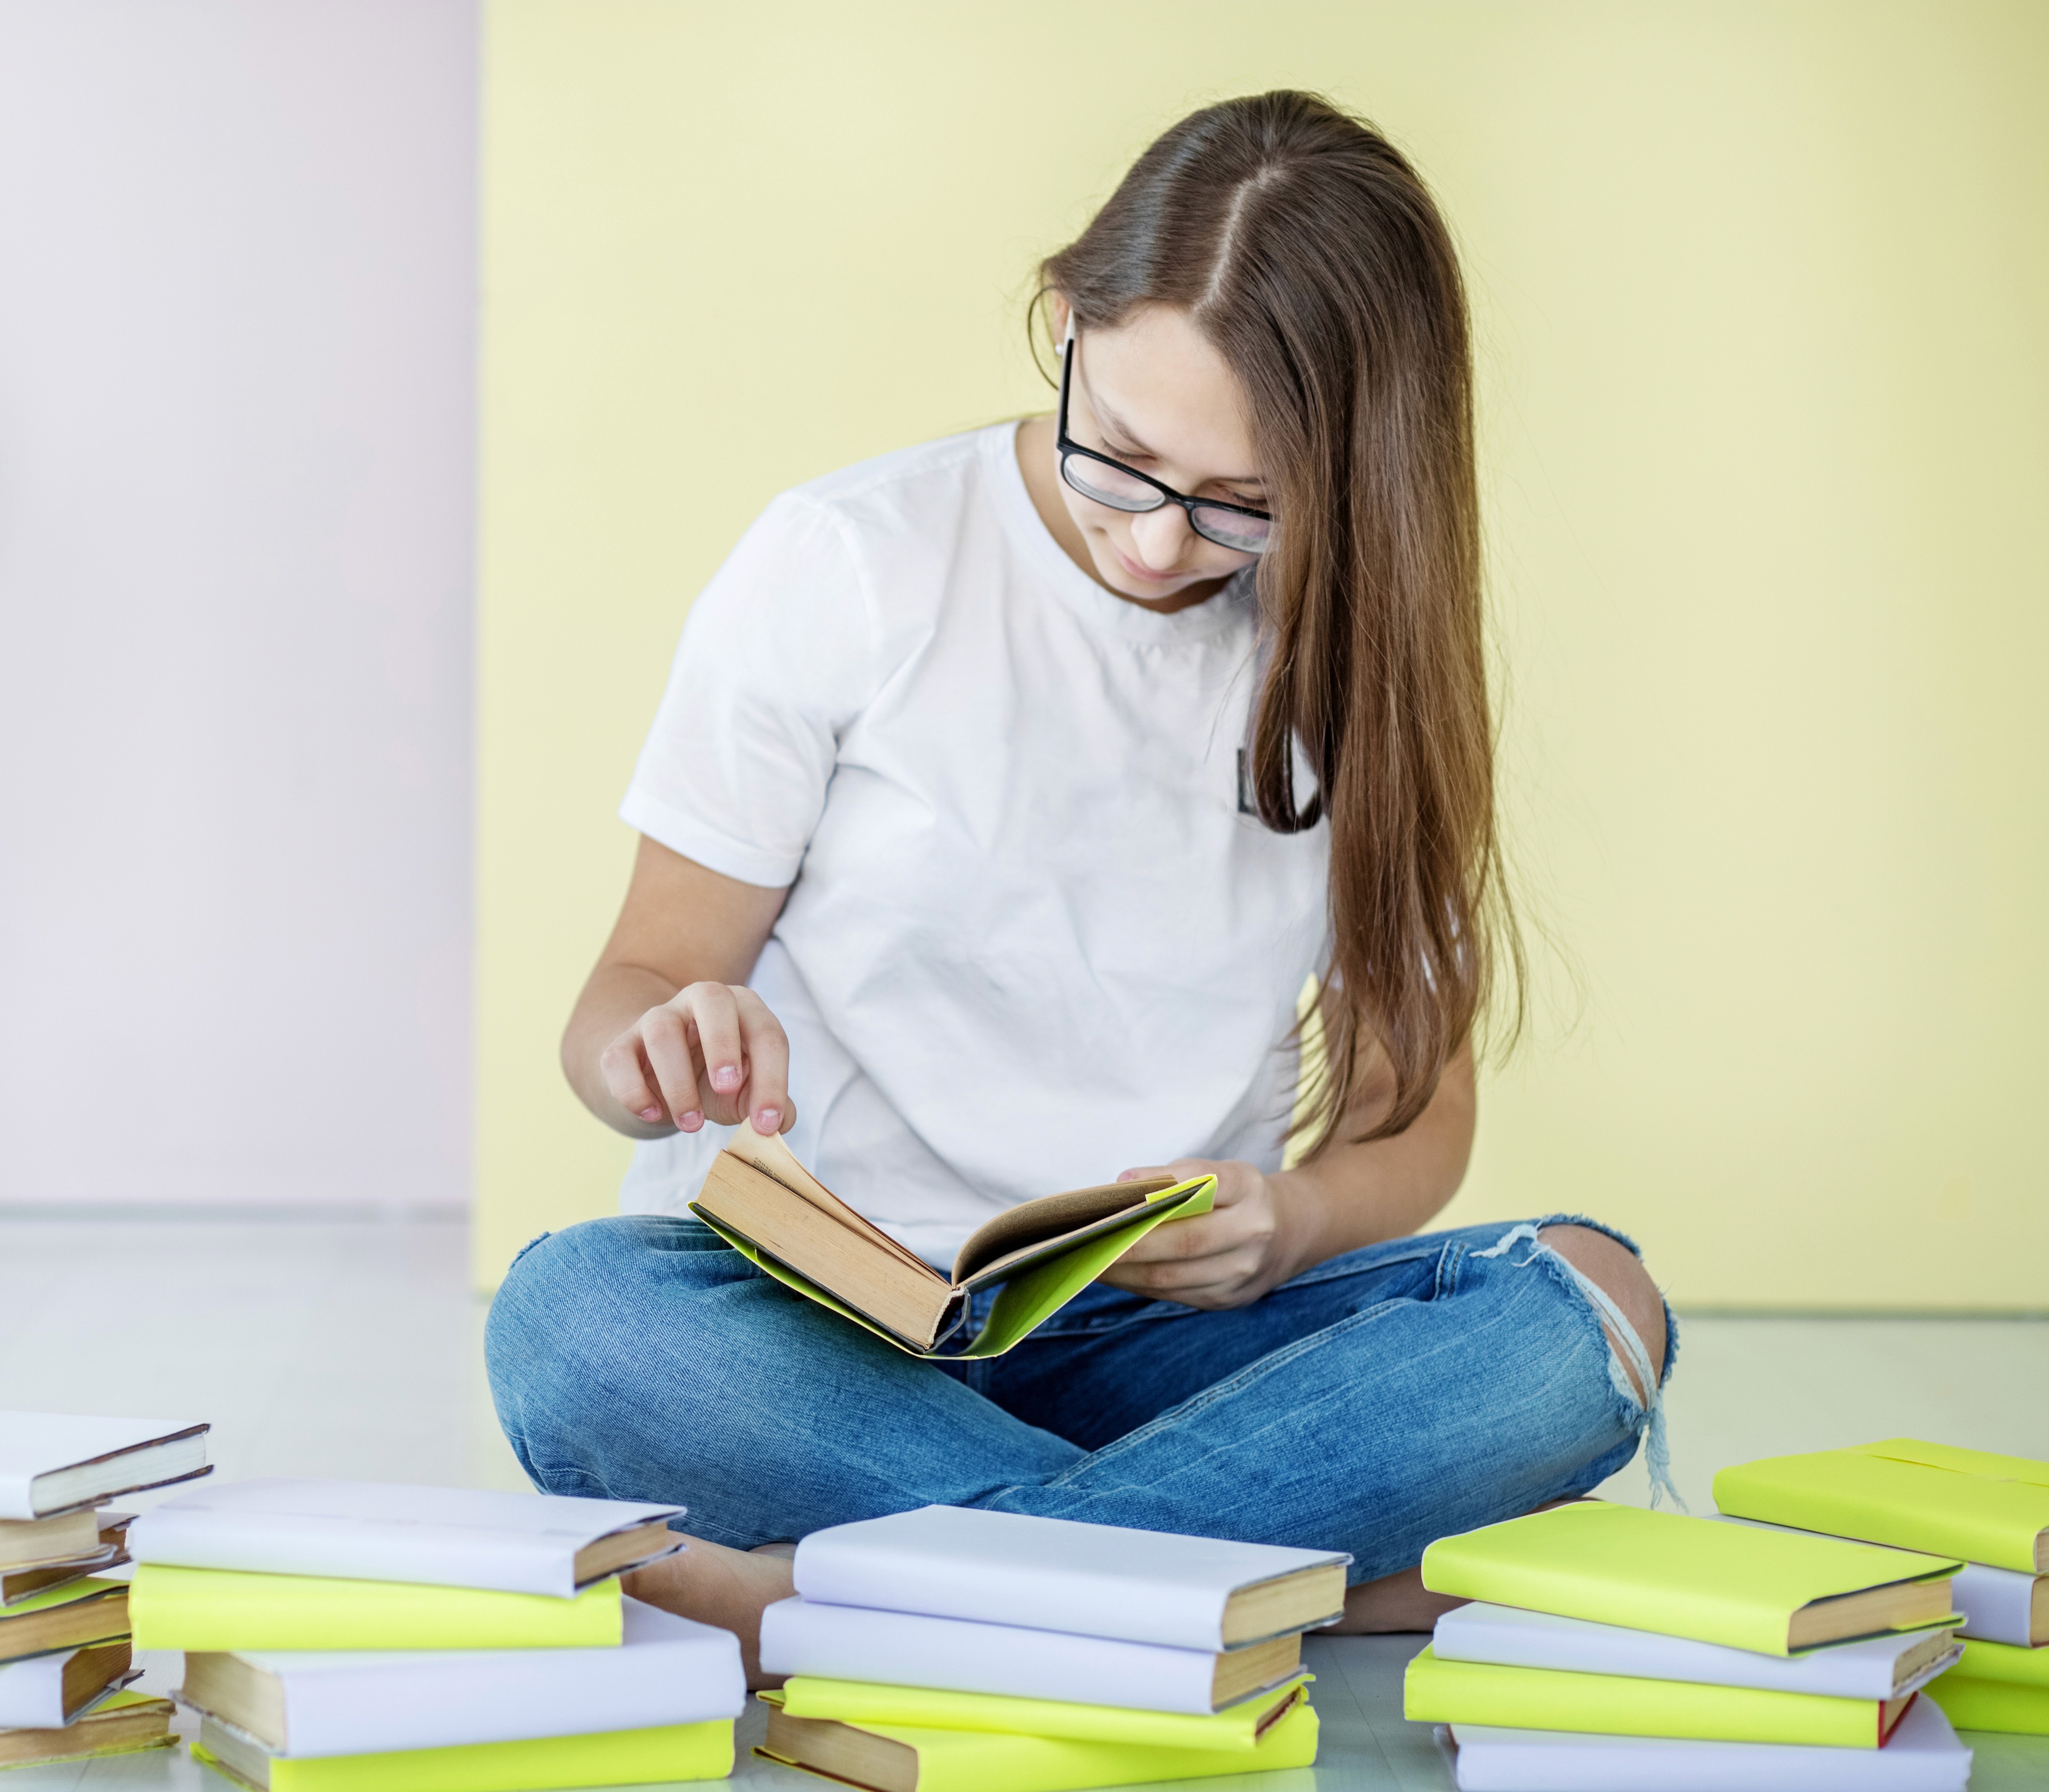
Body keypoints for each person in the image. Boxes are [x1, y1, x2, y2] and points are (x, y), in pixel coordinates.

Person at [484, 90, 1673, 1682]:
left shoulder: (1363, 666)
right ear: (1064, 322)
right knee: (573, 1315)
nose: (1161, 546)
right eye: (1119, 457)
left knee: (1593, 1306)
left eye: (1244, 501)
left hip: (1176, 1349)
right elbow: (623, 1000)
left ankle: (837, 1605)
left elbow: (1414, 1122)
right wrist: (658, 1048)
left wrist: (1298, 1218)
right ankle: (1275, 1587)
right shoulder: (852, 562)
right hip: (831, 1333)